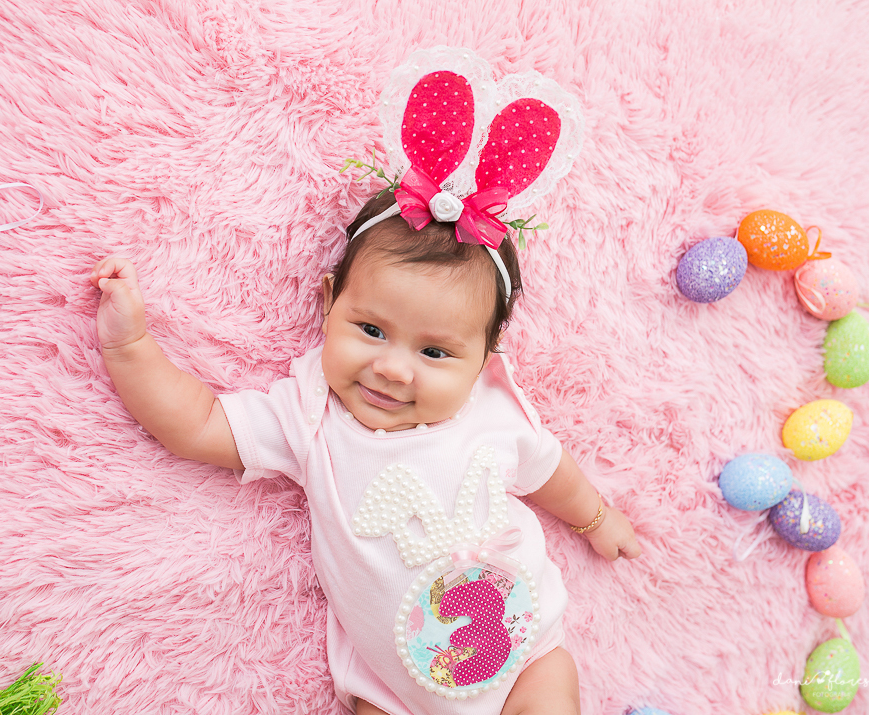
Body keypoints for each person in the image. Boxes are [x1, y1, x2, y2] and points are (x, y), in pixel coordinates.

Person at [90, 190, 642, 715]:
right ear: (329, 302)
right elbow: (199, 424)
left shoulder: (493, 411)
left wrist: (596, 518)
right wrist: (129, 345)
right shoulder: (311, 416)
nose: (394, 369)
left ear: (484, 357)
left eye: (434, 352)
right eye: (372, 330)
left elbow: (551, 472)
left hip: (526, 656)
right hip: (391, 693)